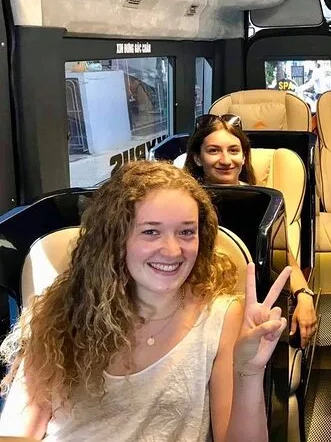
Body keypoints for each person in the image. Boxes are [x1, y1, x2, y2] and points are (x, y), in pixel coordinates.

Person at [0, 161, 290, 441]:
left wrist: (249, 372)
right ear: (116, 238)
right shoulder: (61, 312)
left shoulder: (220, 316)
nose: (173, 251)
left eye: (186, 232)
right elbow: (19, 432)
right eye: (151, 231)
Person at [183, 114, 317, 348]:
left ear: (244, 157)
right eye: (214, 151)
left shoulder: (263, 202)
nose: (226, 160)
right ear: (197, 157)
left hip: (253, 304)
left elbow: (284, 259)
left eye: (234, 151)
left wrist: (304, 295)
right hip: (195, 304)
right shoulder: (182, 201)